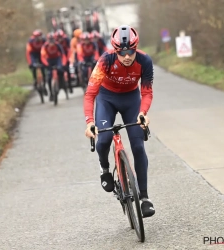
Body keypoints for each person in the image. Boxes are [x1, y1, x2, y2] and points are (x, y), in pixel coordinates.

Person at [84, 25, 155, 218]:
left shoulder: (144, 61)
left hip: (131, 100)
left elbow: (146, 92)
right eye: (122, 52)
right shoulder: (105, 61)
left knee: (138, 146)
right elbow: (90, 94)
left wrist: (143, 112)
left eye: (130, 51)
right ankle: (104, 168)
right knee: (104, 139)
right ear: (115, 50)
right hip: (107, 99)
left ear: (136, 48)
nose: (126, 56)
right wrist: (90, 121)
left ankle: (144, 198)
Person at [41, 32, 68, 101]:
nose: (51, 42)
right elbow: (43, 56)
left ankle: (63, 85)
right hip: (49, 60)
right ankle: (51, 93)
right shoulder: (45, 46)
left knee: (60, 71)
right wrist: (46, 64)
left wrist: (63, 64)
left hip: (57, 59)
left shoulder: (58, 45)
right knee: (49, 77)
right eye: (50, 40)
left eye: (53, 40)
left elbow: (63, 55)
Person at [55, 29, 73, 93]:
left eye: (61, 38)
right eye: (58, 38)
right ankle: (59, 84)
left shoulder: (66, 40)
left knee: (67, 70)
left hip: (66, 54)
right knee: (58, 71)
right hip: (59, 57)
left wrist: (68, 58)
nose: (60, 39)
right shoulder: (55, 42)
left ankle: (70, 86)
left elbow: (69, 49)